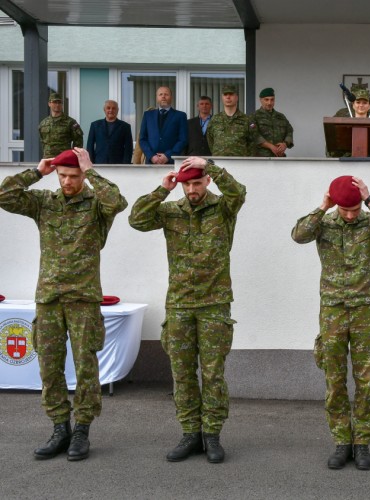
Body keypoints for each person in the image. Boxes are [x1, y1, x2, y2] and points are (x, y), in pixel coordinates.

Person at [0, 148, 127, 461]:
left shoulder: (97, 204)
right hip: (50, 298)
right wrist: (37, 172)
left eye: (73, 176)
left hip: (83, 298)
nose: (67, 181)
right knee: (50, 367)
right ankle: (59, 428)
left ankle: (82, 429)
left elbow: (118, 202)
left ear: (82, 175)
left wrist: (92, 171)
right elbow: (4, 195)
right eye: (63, 176)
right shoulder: (45, 203)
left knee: (86, 367)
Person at [128, 156, 246, 464]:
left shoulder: (223, 208)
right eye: (187, 184)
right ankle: (190, 433)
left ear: (206, 181)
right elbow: (136, 219)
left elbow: (238, 192)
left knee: (213, 374)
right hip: (179, 303)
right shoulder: (170, 212)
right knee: (181, 374)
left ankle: (213, 436)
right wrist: (162, 189)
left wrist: (211, 165)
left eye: (197, 182)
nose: (192, 189)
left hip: (214, 304)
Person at [291, 175, 370, 471]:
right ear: (336, 205)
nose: (351, 215)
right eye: (345, 210)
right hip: (332, 311)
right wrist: (323, 206)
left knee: (366, 381)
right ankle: (342, 441)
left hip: (365, 309)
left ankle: (362, 442)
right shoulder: (324, 223)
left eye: (355, 210)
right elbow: (298, 235)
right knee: (334, 379)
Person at [138, 86, 188, 165]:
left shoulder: (180, 116)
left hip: (172, 162)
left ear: (171, 97)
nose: (163, 96)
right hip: (151, 162)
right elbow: (142, 139)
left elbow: (183, 139)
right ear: (157, 97)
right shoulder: (148, 115)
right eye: (160, 94)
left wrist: (167, 156)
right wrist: (152, 156)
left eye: (166, 94)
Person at [330, 89, 370, 158]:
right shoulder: (343, 118)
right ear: (353, 105)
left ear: (369, 105)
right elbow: (333, 138)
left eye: (364, 103)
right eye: (358, 102)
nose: (361, 105)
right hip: (346, 159)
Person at [206, 85, 252, 157]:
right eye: (225, 94)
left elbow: (252, 142)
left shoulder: (246, 120)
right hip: (219, 162)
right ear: (222, 97)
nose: (228, 97)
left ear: (236, 97)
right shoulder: (215, 119)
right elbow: (210, 140)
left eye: (231, 94)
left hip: (240, 162)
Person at [86, 100, 133, 164]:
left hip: (118, 165)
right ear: (104, 109)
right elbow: (90, 146)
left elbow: (128, 149)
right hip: (99, 163)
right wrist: (90, 163)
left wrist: (125, 165)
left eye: (114, 108)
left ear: (117, 110)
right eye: (108, 108)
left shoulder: (125, 127)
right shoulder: (95, 125)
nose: (111, 110)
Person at [251, 87, 294, 158]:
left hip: (279, 157)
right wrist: (271, 146)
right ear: (261, 100)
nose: (269, 103)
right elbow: (254, 135)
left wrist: (285, 144)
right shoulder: (254, 117)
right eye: (266, 100)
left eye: (272, 100)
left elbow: (289, 130)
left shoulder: (281, 117)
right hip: (260, 158)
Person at [38, 93, 84, 159]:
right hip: (48, 160)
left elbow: (78, 142)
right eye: (54, 102)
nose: (57, 105)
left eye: (59, 102)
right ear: (49, 104)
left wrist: (74, 158)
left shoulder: (71, 122)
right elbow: (43, 142)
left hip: (64, 160)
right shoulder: (43, 124)